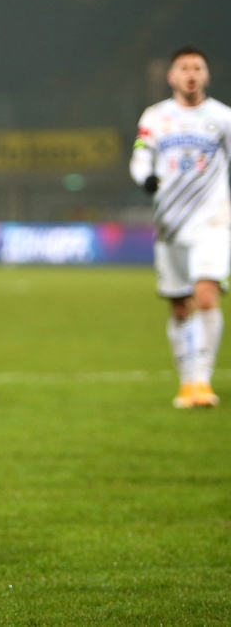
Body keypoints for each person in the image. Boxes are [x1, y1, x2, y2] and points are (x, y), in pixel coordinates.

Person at [130, 47, 231, 409]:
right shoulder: (156, 117)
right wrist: (146, 178)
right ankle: (187, 379)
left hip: (213, 222)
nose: (191, 73)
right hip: (171, 224)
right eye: (184, 67)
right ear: (171, 76)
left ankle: (201, 380)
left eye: (198, 67)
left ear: (206, 75)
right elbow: (141, 154)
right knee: (179, 306)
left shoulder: (223, 118)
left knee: (206, 295)